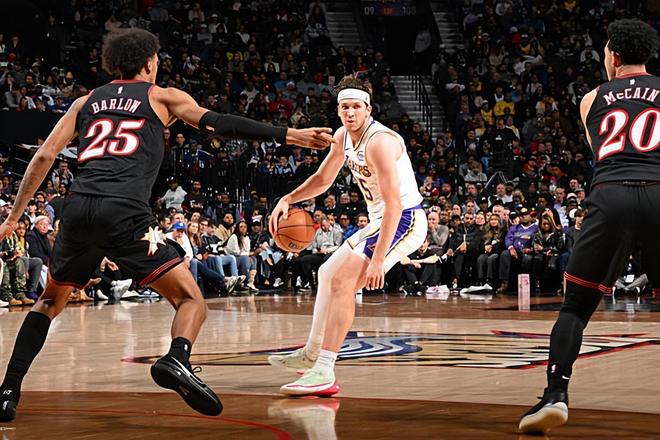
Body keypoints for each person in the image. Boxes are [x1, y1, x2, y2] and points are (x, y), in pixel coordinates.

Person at [0, 28, 334, 422]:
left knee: (49, 302)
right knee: (191, 300)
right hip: (124, 212)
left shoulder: (85, 102)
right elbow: (218, 123)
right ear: (148, 63)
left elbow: (43, 156)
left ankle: (8, 391)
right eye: (156, 60)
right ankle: (177, 358)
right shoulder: (161, 96)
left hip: (77, 208)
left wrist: (14, 217)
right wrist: (289, 135)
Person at [519, 19, 659, 434]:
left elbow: (600, 149)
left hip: (610, 194)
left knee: (575, 309)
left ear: (612, 56)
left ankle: (555, 395)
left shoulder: (591, 98)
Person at [267, 74, 427, 396]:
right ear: (338, 110)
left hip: (404, 219)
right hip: (380, 220)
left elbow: (395, 205)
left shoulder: (380, 142)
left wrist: (378, 260)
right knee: (327, 272)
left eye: (356, 106)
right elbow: (323, 178)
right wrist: (288, 198)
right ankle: (311, 353)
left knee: (343, 283)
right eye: (344, 107)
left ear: (368, 109)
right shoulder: (342, 136)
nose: (350, 113)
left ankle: (324, 370)